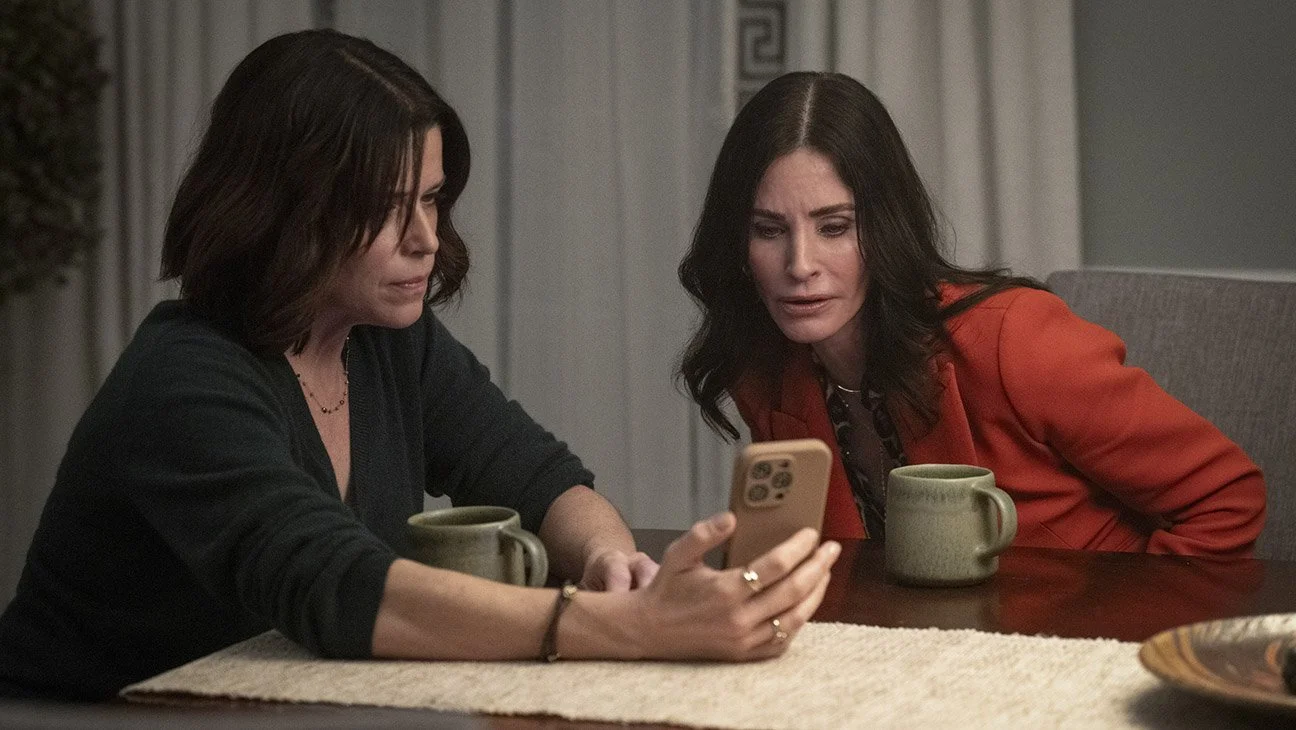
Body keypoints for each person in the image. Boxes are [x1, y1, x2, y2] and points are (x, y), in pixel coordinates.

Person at [0, 31, 840, 702]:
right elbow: (336, 589)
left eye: (432, 199)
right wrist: (629, 629)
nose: (427, 239)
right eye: (385, 209)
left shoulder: (386, 340)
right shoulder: (182, 377)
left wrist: (613, 569)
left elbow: (540, 477)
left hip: (268, 704)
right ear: (282, 212)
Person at [678, 71, 1265, 557]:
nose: (800, 264)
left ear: (887, 228)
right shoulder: (764, 371)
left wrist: (1117, 637)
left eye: (835, 227)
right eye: (768, 230)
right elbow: (799, 559)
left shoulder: (1016, 339)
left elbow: (1228, 497)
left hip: (1081, 639)